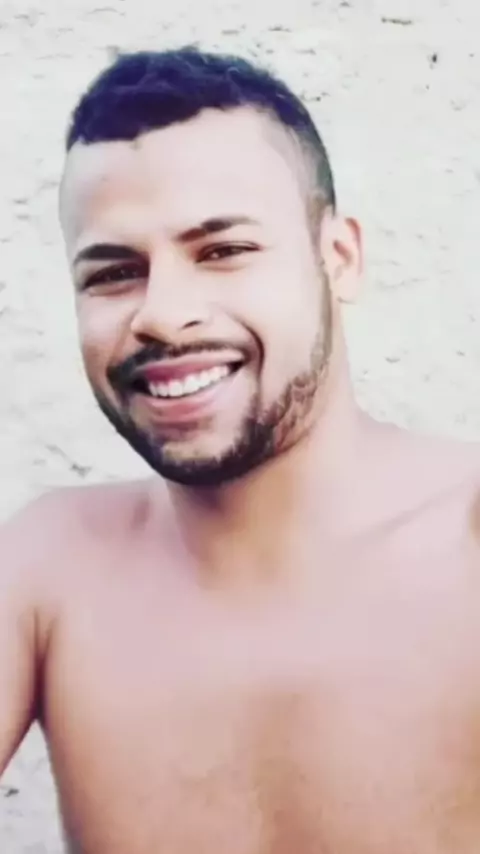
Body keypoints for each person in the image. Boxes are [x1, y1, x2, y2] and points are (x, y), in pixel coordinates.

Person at [2, 46, 480, 854]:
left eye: (222, 251)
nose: (161, 314)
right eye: (114, 272)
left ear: (339, 259)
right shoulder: (46, 569)